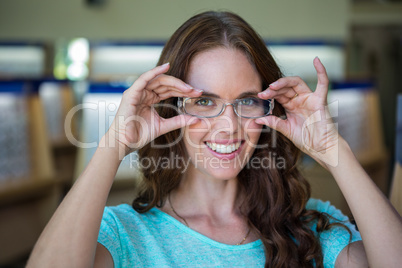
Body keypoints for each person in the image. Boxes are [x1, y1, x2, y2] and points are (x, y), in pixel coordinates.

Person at [27, 11, 402, 268]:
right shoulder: (123, 234)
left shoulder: (311, 229)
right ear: (172, 109)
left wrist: (334, 151)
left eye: (246, 102)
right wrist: (115, 143)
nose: (228, 127)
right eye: (204, 102)